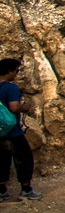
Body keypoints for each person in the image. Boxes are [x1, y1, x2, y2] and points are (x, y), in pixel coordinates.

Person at [0, 59, 38, 201]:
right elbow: (14, 107)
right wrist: (25, 107)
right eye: (16, 71)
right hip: (13, 132)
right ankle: (26, 190)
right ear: (9, 71)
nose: (17, 74)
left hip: (0, 132)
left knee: (2, 161)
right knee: (24, 159)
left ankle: (2, 191)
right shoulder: (11, 88)